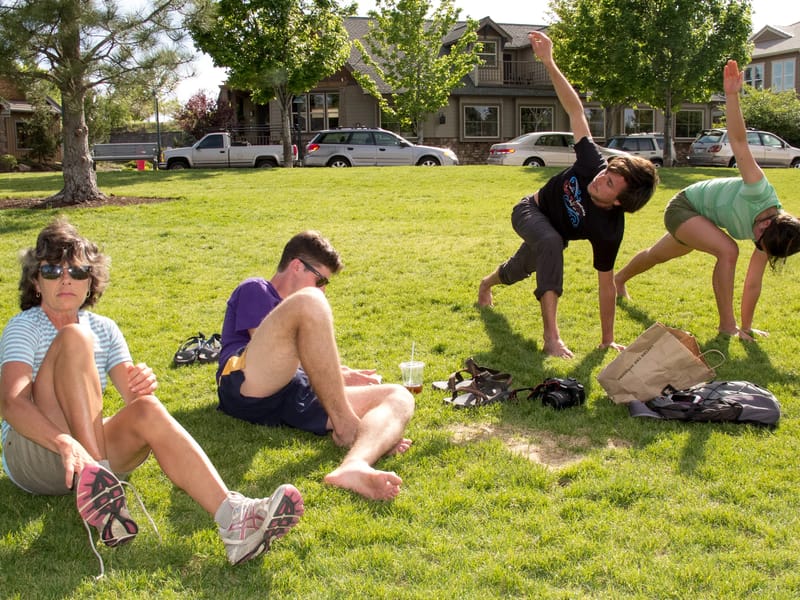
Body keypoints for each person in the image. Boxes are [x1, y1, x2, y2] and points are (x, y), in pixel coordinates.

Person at [0, 218, 303, 571]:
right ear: (36, 282)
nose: (66, 279)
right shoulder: (25, 326)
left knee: (147, 408)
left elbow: (134, 400)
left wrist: (142, 384)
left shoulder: (104, 328)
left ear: (90, 281)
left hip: (89, 456)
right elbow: (11, 403)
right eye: (52, 270)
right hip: (35, 453)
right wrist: (65, 443)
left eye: (78, 270)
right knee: (75, 338)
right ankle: (100, 485)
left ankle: (233, 517)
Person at [477, 31, 659, 359]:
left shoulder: (609, 230)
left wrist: (607, 340)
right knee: (550, 242)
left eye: (609, 184)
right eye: (606, 173)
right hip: (530, 211)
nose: (600, 179)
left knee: (519, 269)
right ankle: (551, 338)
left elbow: (606, 283)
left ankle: (486, 284)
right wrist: (548, 61)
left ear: (619, 202)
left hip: (552, 236)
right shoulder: (592, 164)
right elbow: (576, 111)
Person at [216, 231, 414, 502]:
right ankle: (349, 428)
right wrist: (337, 375)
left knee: (399, 396)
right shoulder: (256, 288)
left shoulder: (304, 307)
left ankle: (355, 463)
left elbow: (299, 363)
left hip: (292, 393)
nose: (322, 288)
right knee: (310, 301)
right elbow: (273, 350)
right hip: (246, 383)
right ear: (297, 266)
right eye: (320, 280)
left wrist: (339, 377)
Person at [614, 60, 800, 340]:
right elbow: (739, 142)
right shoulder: (758, 189)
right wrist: (732, 95)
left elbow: (753, 282)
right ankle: (726, 326)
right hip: (684, 206)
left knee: (656, 255)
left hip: (704, 220)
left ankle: (618, 280)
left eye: (760, 244)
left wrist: (748, 327)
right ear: (769, 222)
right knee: (729, 251)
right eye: (759, 237)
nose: (755, 240)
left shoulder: (773, 236)